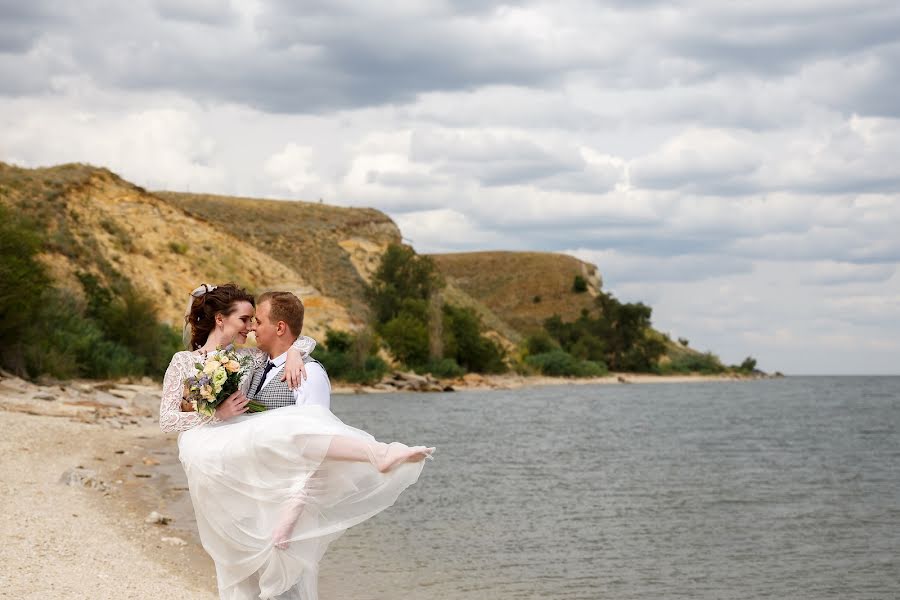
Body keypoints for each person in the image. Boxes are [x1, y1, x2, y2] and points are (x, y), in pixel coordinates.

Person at [160, 283, 433, 600]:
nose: (250, 328)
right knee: (232, 560)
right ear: (220, 319)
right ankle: (377, 453)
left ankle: (377, 453)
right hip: (207, 457)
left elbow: (294, 337)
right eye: (245, 319)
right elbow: (167, 419)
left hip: (240, 461)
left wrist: (293, 354)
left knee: (288, 429)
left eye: (254, 321)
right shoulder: (184, 361)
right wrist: (214, 416)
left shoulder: (248, 358)